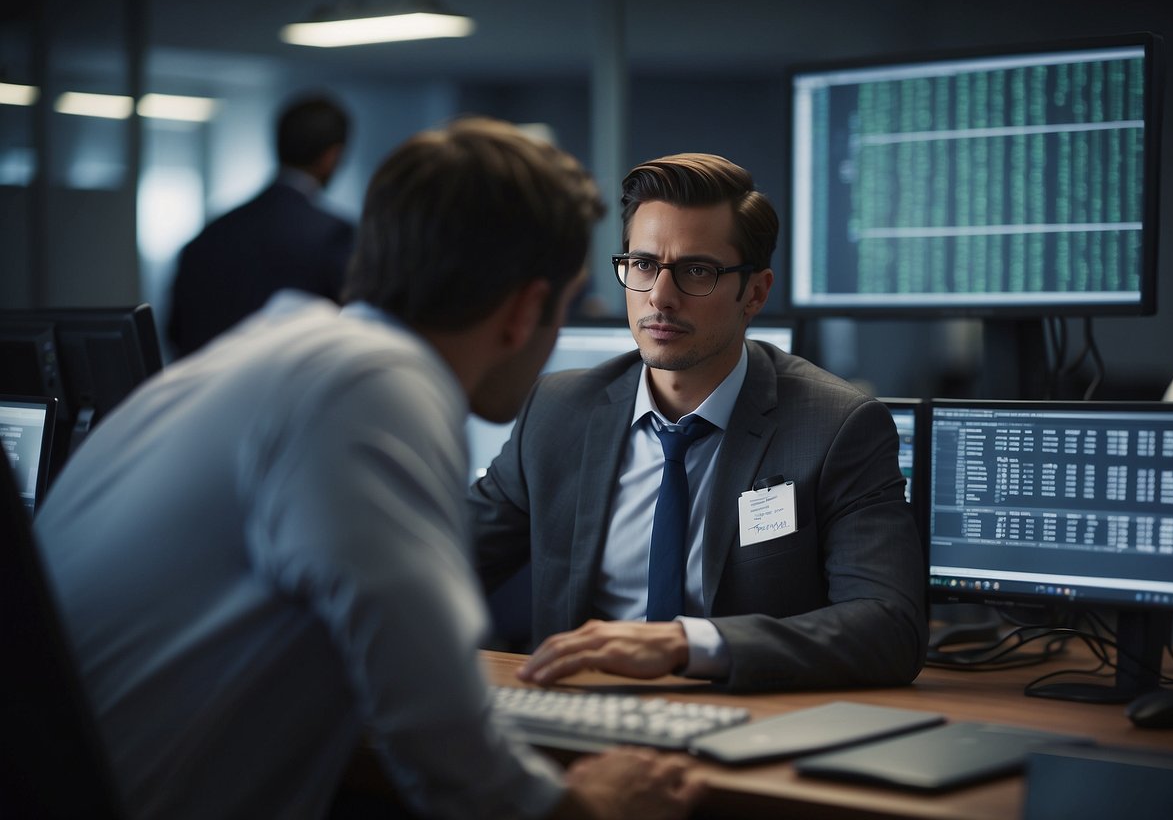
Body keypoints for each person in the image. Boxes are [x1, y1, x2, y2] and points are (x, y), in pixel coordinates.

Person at [34, 118, 700, 820]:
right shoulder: (372, 386)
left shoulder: (279, 348)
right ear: (525, 309)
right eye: (562, 308)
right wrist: (588, 805)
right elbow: (450, 754)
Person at [471, 152, 927, 692]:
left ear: (754, 292)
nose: (660, 298)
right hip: (578, 708)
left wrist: (688, 644)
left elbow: (889, 627)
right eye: (642, 265)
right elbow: (439, 559)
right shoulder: (558, 410)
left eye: (697, 271)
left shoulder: (836, 427)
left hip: (746, 720)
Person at [167, 94, 356, 358]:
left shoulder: (211, 233)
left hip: (209, 391)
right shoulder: (333, 235)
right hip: (293, 394)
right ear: (332, 156)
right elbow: (352, 333)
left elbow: (176, 333)